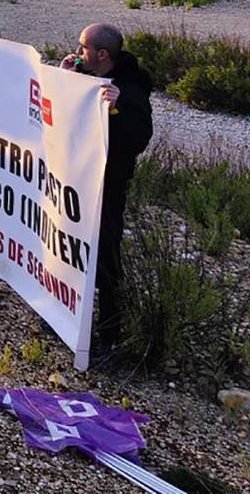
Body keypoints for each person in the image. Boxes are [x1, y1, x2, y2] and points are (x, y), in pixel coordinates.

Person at [60, 23, 154, 364]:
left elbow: (138, 140)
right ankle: (66, 311)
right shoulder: (86, 73)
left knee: (106, 256)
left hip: (107, 186)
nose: (78, 50)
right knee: (67, 244)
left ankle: (109, 330)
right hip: (75, 179)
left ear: (103, 54)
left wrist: (118, 106)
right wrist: (63, 77)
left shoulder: (132, 89)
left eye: (83, 47)